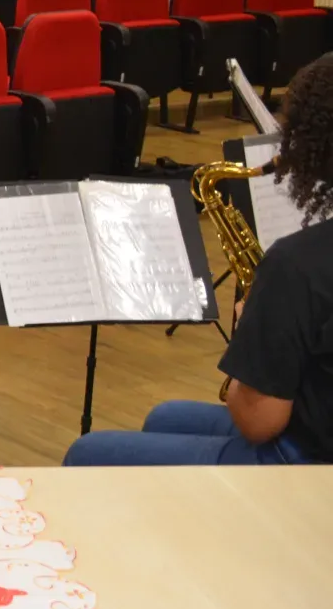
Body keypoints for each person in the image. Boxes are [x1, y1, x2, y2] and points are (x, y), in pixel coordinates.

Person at [77, 56, 333, 466]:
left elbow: (258, 421)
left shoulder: (297, 264)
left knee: (86, 453)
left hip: (311, 466)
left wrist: (253, 337)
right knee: (165, 416)